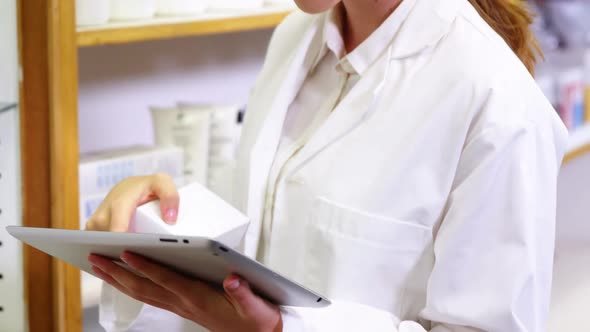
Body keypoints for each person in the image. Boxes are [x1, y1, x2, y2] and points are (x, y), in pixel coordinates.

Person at [86, 0, 568, 331]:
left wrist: (281, 328)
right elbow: (260, 244)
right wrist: (155, 225)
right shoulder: (295, 38)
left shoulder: (497, 101)